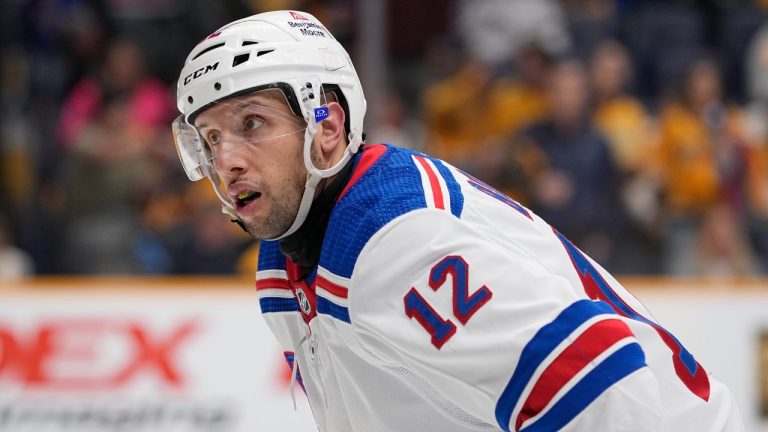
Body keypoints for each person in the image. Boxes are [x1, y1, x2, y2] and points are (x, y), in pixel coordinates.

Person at [171, 10, 742, 431]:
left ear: (327, 127)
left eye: (251, 122)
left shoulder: (394, 238)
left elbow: (607, 392)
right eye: (212, 137)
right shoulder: (285, 258)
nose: (226, 160)